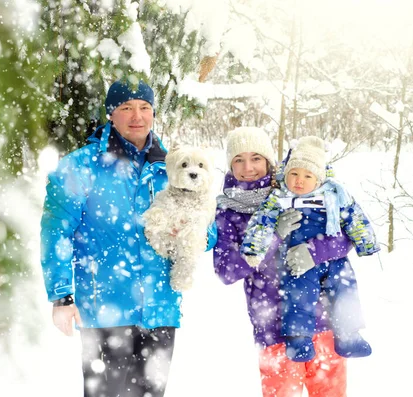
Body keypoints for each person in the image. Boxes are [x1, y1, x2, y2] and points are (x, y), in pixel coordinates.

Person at [40, 79, 217, 397]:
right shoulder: (81, 166)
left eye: (145, 108)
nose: (137, 116)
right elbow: (56, 232)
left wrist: (193, 233)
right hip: (105, 307)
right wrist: (62, 296)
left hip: (160, 307)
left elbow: (208, 226)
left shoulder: (172, 166)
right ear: (111, 113)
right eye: (126, 108)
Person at [214, 127, 352, 397]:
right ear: (230, 165)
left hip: (321, 319)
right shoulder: (228, 211)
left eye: (256, 158)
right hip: (273, 328)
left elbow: (347, 236)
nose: (248, 167)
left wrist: (315, 251)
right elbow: (226, 271)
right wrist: (273, 236)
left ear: (268, 161)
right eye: (238, 160)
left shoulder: (299, 187)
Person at [241, 136, 379, 362]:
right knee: (299, 294)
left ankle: (348, 335)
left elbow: (354, 216)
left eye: (308, 176)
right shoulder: (280, 198)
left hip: (335, 259)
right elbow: (262, 221)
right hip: (298, 257)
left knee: (345, 288)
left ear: (319, 178)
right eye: (294, 173)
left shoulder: (334, 195)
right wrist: (255, 246)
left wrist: (366, 242)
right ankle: (299, 338)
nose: (299, 180)